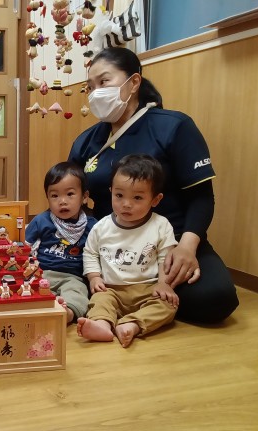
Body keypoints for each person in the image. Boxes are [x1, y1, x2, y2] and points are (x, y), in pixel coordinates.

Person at [68, 47, 238, 324]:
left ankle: (132, 300)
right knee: (58, 279)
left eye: (104, 81)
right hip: (108, 247)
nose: (96, 92)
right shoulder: (86, 141)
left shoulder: (175, 126)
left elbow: (201, 196)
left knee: (216, 299)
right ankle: (135, 300)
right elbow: (72, 196)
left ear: (134, 82)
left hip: (168, 245)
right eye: (90, 86)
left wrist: (187, 248)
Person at [77, 154, 179, 348]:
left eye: (137, 197)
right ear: (111, 192)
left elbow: (166, 257)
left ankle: (132, 325)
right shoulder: (101, 227)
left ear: (155, 199)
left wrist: (164, 283)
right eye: (119, 195)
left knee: (168, 305)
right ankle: (102, 325)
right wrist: (94, 278)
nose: (126, 204)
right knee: (99, 300)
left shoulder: (161, 225)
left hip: (147, 289)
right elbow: (90, 253)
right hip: (111, 289)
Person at [25, 162, 97, 325]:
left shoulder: (92, 226)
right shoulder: (41, 221)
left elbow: (98, 253)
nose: (62, 201)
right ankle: (42, 309)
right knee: (30, 290)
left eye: (70, 194)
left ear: (84, 197)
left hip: (73, 277)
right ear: (47, 198)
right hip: (42, 273)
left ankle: (67, 313)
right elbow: (25, 247)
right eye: (55, 196)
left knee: (77, 292)